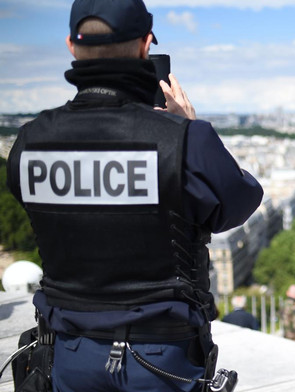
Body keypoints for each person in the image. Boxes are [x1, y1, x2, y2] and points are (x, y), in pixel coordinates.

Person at [6, 0, 264, 390]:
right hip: (161, 354)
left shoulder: (29, 143)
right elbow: (240, 201)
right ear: (146, 46)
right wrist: (187, 127)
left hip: (67, 349)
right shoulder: (182, 140)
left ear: (71, 47)